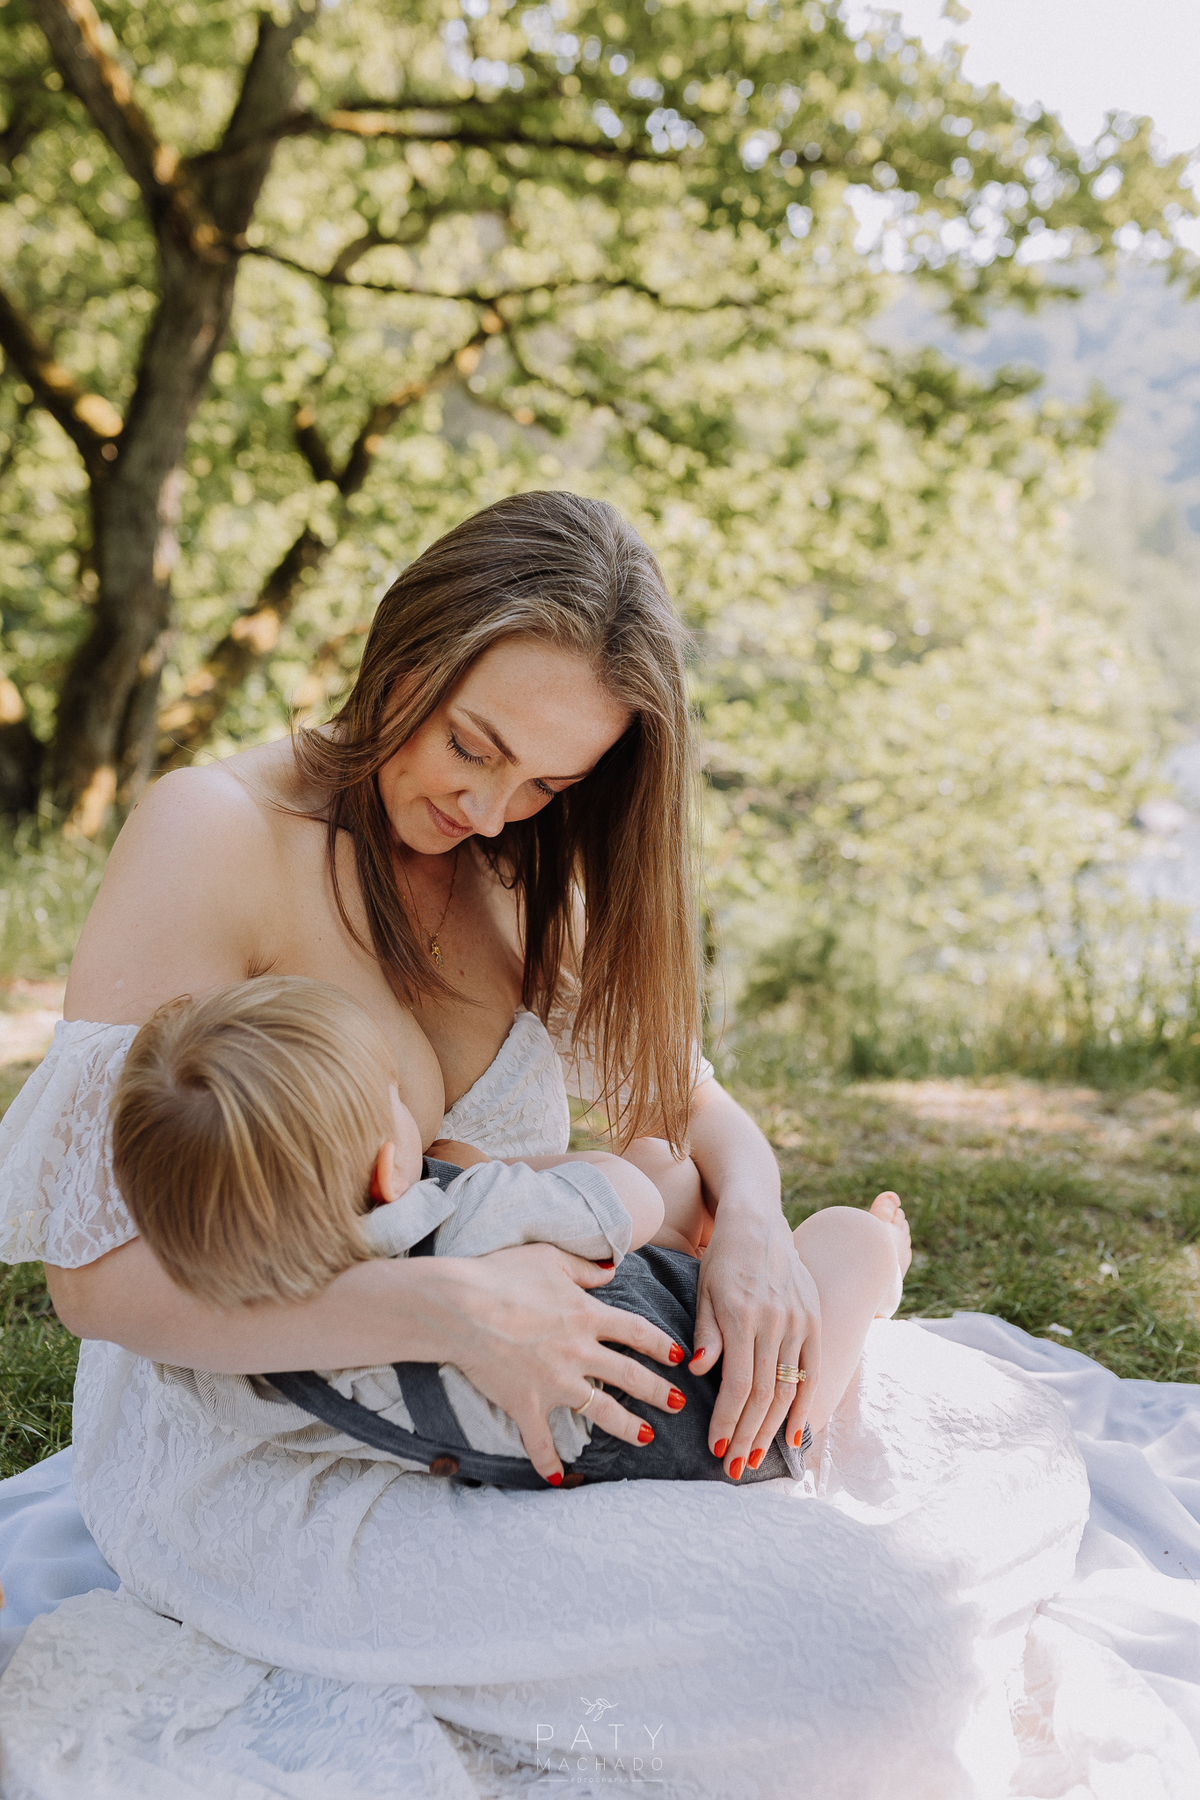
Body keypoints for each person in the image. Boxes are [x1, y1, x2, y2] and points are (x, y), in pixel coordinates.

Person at [0, 492, 1089, 1797]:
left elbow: (689, 1107)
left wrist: (749, 1224)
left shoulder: (515, 868)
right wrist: (446, 1306)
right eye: (474, 744)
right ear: (407, 653)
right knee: (883, 1651)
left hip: (528, 1416)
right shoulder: (212, 833)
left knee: (1007, 1442)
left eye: (550, 783)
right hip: (274, 1456)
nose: (492, 804)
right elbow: (96, 1275)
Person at [108, 976, 910, 1489]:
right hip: (725, 1402)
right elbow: (624, 1193)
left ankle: (694, 1249)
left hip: (585, 1435)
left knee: (655, 1172)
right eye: (396, 1093)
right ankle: (876, 1277)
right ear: (392, 1172)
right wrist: (493, 1172)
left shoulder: (238, 1361)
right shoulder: (480, 1212)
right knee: (840, 1236)